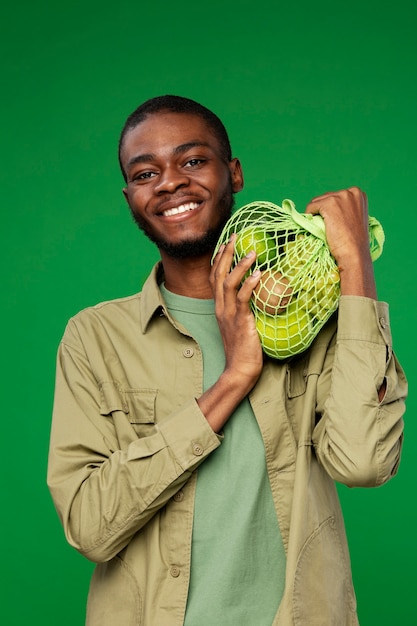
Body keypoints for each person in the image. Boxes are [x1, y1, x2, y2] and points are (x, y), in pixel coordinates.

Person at [47, 95, 407, 626]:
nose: (170, 182)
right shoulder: (95, 339)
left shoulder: (312, 320)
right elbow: (89, 527)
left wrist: (354, 264)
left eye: (193, 161)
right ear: (130, 198)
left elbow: (365, 463)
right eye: (146, 172)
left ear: (233, 173)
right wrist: (234, 378)